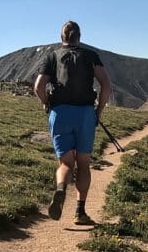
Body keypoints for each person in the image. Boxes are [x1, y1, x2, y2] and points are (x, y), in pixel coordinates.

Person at [33, 20, 112, 225]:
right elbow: (106, 86)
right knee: (83, 164)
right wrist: (98, 111)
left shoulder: (52, 56)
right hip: (85, 114)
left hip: (60, 113)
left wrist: (47, 103)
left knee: (66, 163)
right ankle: (80, 212)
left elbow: (38, 87)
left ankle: (60, 189)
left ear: (62, 38)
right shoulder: (90, 56)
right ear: (79, 37)